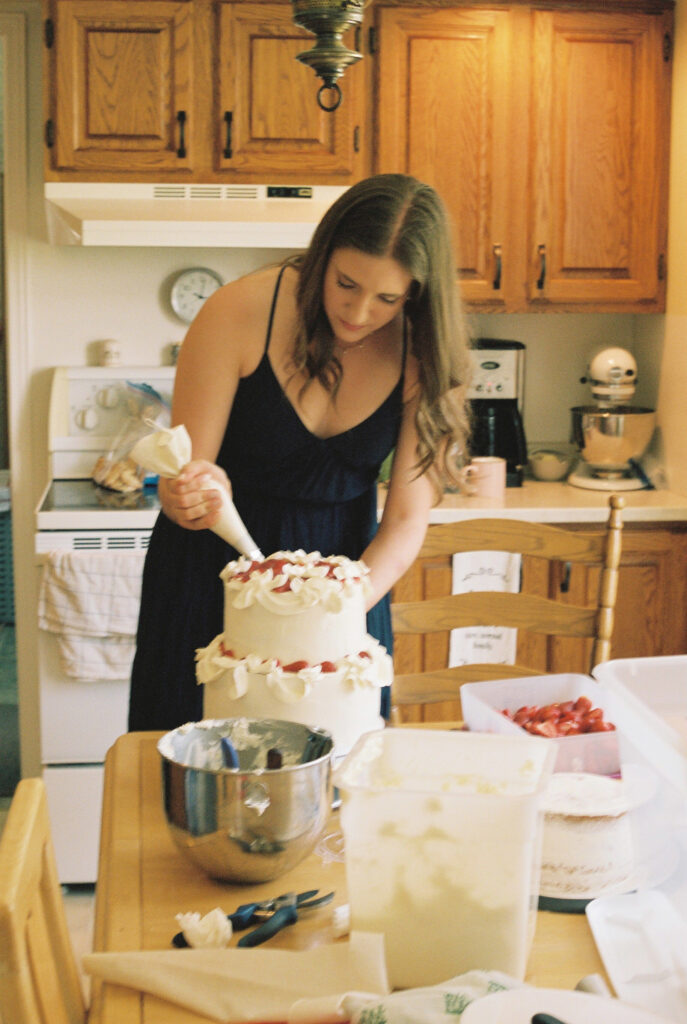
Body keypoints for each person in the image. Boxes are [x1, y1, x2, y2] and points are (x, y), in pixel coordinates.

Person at [128, 173, 471, 731]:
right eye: (346, 284)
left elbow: (407, 520)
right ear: (322, 255)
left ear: (416, 293)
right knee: (196, 784)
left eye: (387, 298)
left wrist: (326, 614)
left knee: (338, 786)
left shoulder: (426, 350)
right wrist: (188, 492)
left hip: (345, 588)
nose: (360, 313)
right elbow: (184, 476)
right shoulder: (238, 311)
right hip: (210, 580)